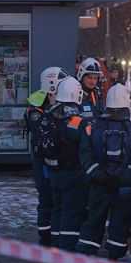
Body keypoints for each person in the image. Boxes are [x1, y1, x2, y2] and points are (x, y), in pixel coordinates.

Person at [77, 84, 131, 260]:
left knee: (94, 218)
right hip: (124, 187)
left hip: (98, 185)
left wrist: (98, 174)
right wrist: (126, 176)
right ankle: (115, 250)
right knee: (121, 220)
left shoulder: (92, 127)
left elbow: (85, 154)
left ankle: (88, 249)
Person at [40, 76, 88, 250]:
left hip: (52, 170)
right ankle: (67, 246)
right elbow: (85, 141)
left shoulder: (48, 114)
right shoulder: (76, 119)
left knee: (57, 207)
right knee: (71, 210)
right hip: (73, 171)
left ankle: (55, 242)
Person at [25, 67, 69, 246]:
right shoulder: (37, 107)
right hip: (42, 158)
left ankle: (53, 232)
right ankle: (45, 235)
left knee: (55, 196)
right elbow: (40, 130)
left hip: (53, 158)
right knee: (46, 195)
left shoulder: (54, 103)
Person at [77, 57, 105, 122]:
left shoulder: (97, 94)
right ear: (81, 76)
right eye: (90, 77)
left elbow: (101, 113)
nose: (93, 81)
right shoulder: (74, 93)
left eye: (95, 78)